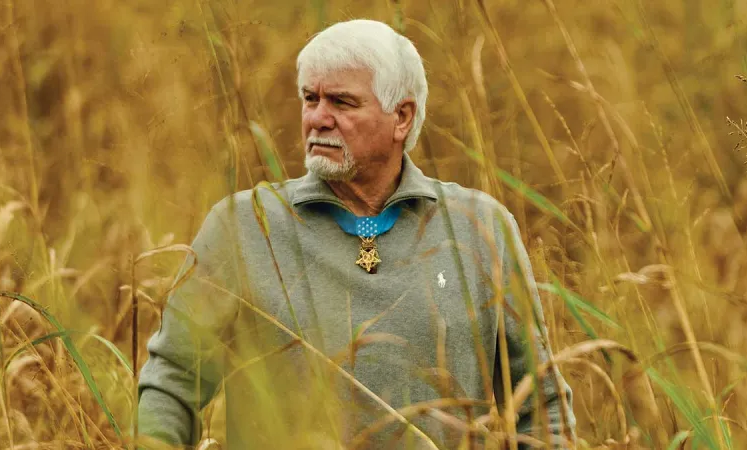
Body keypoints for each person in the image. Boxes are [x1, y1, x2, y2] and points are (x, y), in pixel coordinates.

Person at [136, 19, 575, 449]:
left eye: (342, 103)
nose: (318, 118)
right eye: (311, 98)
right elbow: (173, 382)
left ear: (402, 117)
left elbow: (540, 404)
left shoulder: (479, 227)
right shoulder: (245, 224)